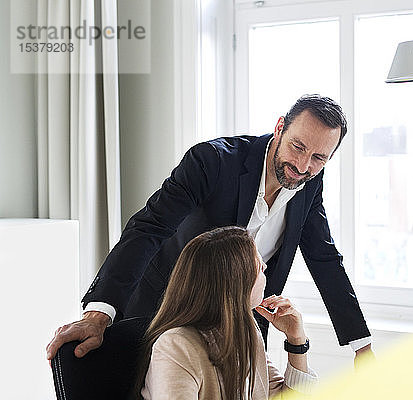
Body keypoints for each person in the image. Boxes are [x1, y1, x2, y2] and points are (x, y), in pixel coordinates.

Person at [46, 94, 372, 363]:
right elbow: (149, 228)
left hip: (238, 326)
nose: (303, 166)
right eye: (298, 147)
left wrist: (362, 347)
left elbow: (324, 258)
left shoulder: (310, 182)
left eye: (318, 158)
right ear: (279, 129)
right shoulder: (212, 161)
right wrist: (99, 313)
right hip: (167, 312)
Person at [136, 226, 317, 399]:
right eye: (257, 264)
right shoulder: (176, 346)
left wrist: (296, 341)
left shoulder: (248, 331)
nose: (265, 267)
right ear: (236, 283)